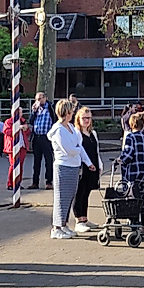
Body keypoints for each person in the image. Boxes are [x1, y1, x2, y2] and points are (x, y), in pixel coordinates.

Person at [47, 99, 95, 239]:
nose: (73, 113)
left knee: (69, 197)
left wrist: (88, 162)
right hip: (63, 167)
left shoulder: (71, 127)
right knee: (61, 198)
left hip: (74, 167)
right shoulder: (58, 130)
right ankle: (56, 228)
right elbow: (69, 149)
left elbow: (79, 147)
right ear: (66, 112)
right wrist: (77, 149)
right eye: (71, 111)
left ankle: (64, 224)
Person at [71, 107, 102, 233]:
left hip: (93, 166)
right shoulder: (77, 133)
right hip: (82, 167)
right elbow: (79, 151)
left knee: (87, 193)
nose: (86, 120)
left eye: (88, 118)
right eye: (84, 118)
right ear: (78, 119)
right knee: (79, 193)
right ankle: (79, 220)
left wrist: (99, 166)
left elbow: (96, 151)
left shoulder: (93, 133)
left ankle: (85, 218)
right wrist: (87, 163)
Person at [117, 113, 144, 204]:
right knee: (142, 194)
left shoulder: (130, 137)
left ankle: (132, 210)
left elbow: (128, 155)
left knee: (131, 194)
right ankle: (143, 209)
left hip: (133, 172)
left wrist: (120, 160)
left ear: (131, 124)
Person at [30, 93, 56, 189]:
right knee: (37, 161)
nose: (38, 101)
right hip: (37, 137)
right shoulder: (36, 109)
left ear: (45, 98)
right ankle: (35, 182)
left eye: (39, 99)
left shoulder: (50, 107)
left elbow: (55, 119)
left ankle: (49, 181)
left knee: (48, 160)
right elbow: (31, 121)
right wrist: (33, 111)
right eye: (36, 99)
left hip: (47, 137)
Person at [2, 113, 29, 189]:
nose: (20, 114)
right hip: (13, 147)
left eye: (21, 112)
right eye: (18, 112)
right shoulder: (8, 121)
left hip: (22, 146)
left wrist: (26, 128)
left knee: (20, 165)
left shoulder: (23, 121)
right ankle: (10, 183)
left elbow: (27, 133)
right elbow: (7, 131)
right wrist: (17, 127)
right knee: (13, 165)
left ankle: (18, 183)